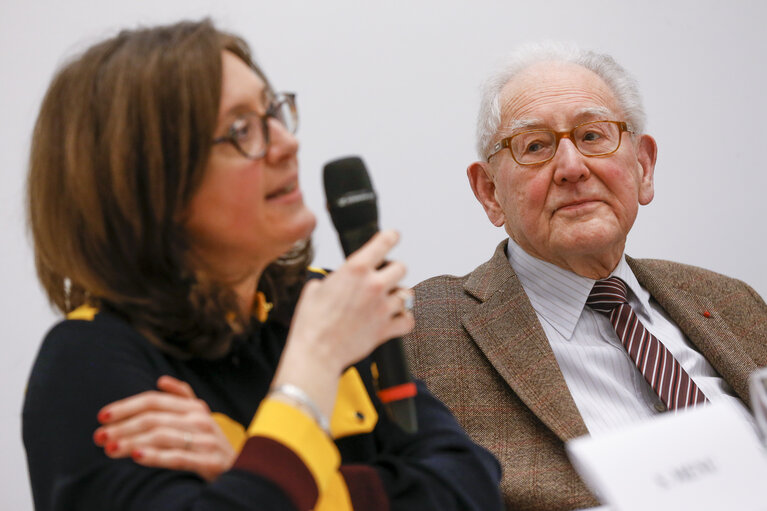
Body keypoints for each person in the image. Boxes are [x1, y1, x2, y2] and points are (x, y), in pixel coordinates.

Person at [22, 19, 502, 511]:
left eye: (273, 111)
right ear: (146, 186)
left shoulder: (321, 302)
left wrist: (256, 471)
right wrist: (309, 371)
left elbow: (470, 486)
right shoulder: (87, 361)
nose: (286, 143)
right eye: (239, 131)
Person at [402, 42, 767, 511]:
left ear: (643, 167)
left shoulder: (732, 301)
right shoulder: (417, 333)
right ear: (489, 192)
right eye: (535, 146)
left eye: (594, 136)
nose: (572, 168)